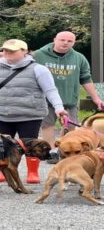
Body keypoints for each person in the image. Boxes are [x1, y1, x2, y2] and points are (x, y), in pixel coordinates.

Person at [0, 39, 67, 183]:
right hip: (2, 115)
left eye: (12, 51)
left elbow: (51, 90)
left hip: (29, 115)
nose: (7, 53)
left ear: (25, 52)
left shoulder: (39, 69)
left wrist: (59, 108)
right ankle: (2, 171)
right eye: (5, 50)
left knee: (32, 146)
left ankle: (32, 173)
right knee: (1, 146)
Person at [34, 31, 104, 164]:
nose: (65, 43)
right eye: (62, 40)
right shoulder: (38, 55)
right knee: (47, 125)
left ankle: (68, 150)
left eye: (69, 41)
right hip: (46, 100)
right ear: (55, 39)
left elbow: (86, 79)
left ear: (74, 43)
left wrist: (96, 98)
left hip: (69, 99)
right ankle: (52, 152)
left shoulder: (79, 58)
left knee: (71, 128)